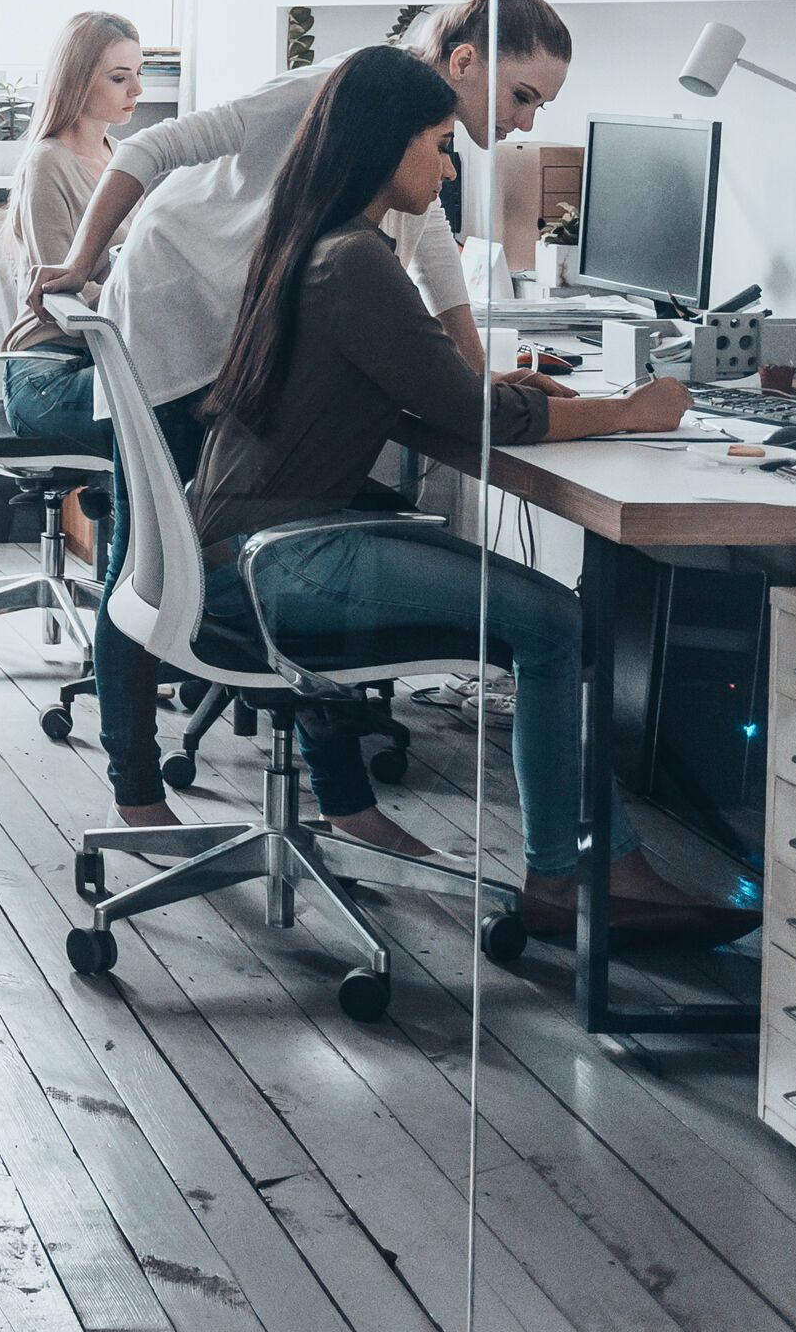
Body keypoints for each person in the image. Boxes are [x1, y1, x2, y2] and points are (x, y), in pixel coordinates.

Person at [165, 46, 744, 942]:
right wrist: (632, 410)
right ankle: (573, 877)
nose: (447, 167)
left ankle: (590, 865)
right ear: (383, 146)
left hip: (243, 547)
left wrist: (531, 398)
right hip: (281, 561)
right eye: (438, 145)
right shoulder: (354, 260)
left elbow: (442, 390)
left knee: (545, 617)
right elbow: (472, 414)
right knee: (552, 625)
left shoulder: (313, 240)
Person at [41, 0, 574, 841]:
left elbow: (432, 250)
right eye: (521, 96)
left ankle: (344, 802)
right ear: (466, 62)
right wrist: (80, 261)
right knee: (151, 559)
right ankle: (136, 795)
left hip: (251, 324)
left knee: (308, 523)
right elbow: (150, 146)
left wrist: (471, 378)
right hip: (178, 313)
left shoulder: (411, 136)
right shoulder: (338, 90)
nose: (520, 123)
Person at [0, 12, 148, 518]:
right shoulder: (48, 163)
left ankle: (171, 578)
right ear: (78, 80)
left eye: (138, 74)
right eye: (119, 77)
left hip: (104, 362)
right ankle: (140, 582)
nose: (137, 90)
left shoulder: (118, 156)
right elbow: (62, 305)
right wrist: (138, 285)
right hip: (47, 375)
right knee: (169, 410)